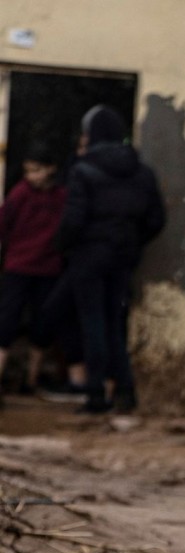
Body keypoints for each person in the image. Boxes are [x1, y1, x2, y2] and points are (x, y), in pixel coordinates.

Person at [53, 105, 165, 414]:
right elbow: (156, 219)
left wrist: (62, 247)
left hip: (89, 258)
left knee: (92, 323)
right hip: (123, 257)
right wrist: (130, 241)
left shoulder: (83, 170)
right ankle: (125, 391)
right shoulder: (142, 172)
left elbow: (73, 220)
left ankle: (96, 394)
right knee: (115, 322)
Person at [0, 141, 67, 400]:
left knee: (42, 326)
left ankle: (31, 380)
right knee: (6, 323)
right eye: (28, 171)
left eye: (37, 170)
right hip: (20, 267)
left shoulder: (62, 197)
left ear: (51, 169)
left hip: (47, 269)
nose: (32, 177)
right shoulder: (21, 193)